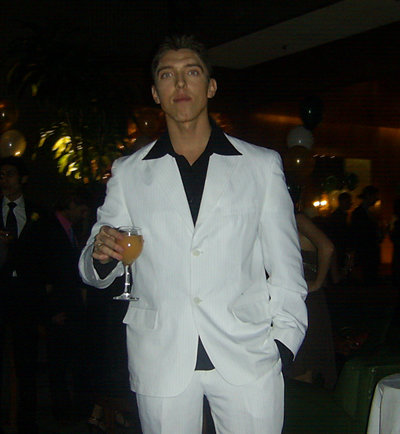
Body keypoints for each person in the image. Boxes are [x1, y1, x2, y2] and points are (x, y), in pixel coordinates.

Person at [79, 35, 307, 433]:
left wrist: (283, 344)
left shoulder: (260, 166)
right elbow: (94, 262)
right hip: (160, 356)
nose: (181, 83)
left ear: (211, 86)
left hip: (248, 355)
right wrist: (99, 256)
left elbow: (287, 267)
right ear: (156, 93)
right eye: (168, 75)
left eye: (192, 72)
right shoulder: (129, 172)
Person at [0, 156, 45, 434]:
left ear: (22, 178)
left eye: (9, 174)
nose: (4, 179)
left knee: (26, 360)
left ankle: (27, 421)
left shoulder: (36, 212)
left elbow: (46, 252)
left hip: (26, 295)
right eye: (1, 175)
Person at [40, 189, 91, 423]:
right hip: (59, 308)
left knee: (73, 361)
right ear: (70, 203)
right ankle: (62, 413)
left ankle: (74, 410)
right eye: (81, 209)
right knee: (59, 364)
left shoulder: (70, 230)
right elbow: (44, 272)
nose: (83, 214)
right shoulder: (49, 228)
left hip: (70, 307)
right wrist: (51, 310)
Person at [287, 188, 337, 389]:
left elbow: (328, 247)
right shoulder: (284, 220)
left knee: (303, 365)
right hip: (297, 296)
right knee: (298, 363)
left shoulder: (297, 219)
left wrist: (317, 282)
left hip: (307, 297)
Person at [350, 185, 382, 284]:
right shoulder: (359, 213)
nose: (376, 199)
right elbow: (358, 233)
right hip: (365, 250)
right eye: (374, 196)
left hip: (369, 250)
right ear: (368, 196)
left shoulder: (369, 211)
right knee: (367, 278)